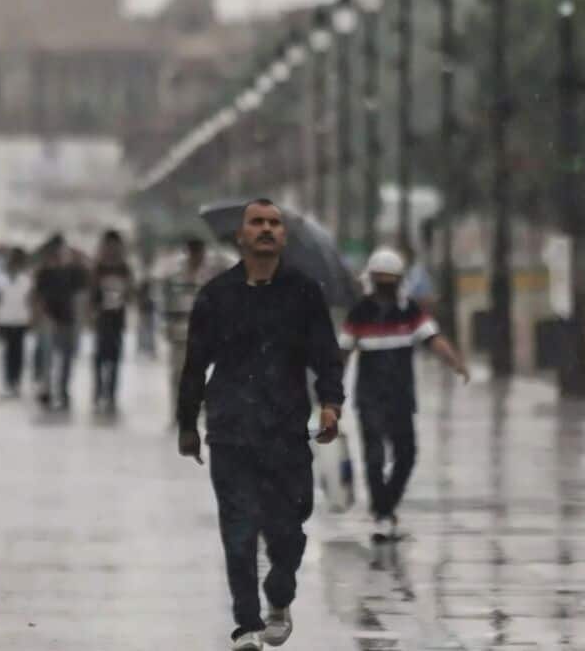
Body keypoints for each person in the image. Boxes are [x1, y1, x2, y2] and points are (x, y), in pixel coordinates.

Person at [177, 199, 345, 651]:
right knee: (239, 530)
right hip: (230, 430)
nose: (266, 229)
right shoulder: (216, 295)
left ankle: (279, 594)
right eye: (257, 223)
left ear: (283, 236)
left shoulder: (304, 293)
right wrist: (187, 424)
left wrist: (331, 403)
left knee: (288, 527)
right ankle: (247, 624)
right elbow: (194, 365)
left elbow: (326, 355)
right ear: (241, 235)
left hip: (286, 429)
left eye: (274, 223)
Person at [341, 247, 468, 543]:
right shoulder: (359, 312)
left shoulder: (410, 311)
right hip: (370, 397)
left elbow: (433, 339)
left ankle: (384, 506)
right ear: (372, 280)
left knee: (406, 455)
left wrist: (456, 363)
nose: (386, 287)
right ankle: (382, 514)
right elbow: (343, 350)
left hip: (401, 396)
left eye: (391, 281)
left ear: (399, 281)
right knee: (374, 457)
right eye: (381, 280)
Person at [162, 237, 229, 427]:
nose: (196, 257)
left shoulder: (210, 278)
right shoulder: (175, 278)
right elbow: (167, 304)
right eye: (194, 253)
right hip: (179, 334)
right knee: (177, 375)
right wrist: (167, 327)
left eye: (199, 253)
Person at [31, 234, 86, 411]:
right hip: (50, 317)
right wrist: (37, 316)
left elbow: (81, 293)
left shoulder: (73, 270)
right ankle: (47, 388)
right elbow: (38, 295)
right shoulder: (44, 272)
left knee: (66, 357)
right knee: (48, 356)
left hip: (67, 317)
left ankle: (62, 389)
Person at [90, 230, 134, 414]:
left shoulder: (124, 268)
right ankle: (99, 392)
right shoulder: (98, 268)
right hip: (102, 319)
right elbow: (92, 293)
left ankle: (111, 395)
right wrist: (91, 313)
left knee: (115, 359)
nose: (112, 249)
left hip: (117, 319)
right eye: (109, 245)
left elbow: (130, 294)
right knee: (99, 359)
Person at [0, 247, 34, 399]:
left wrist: (32, 318)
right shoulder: (0, 280)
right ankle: (9, 381)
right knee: (8, 352)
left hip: (21, 320)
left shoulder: (26, 280)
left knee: (19, 352)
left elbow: (30, 300)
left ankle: (16, 380)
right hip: (5, 320)